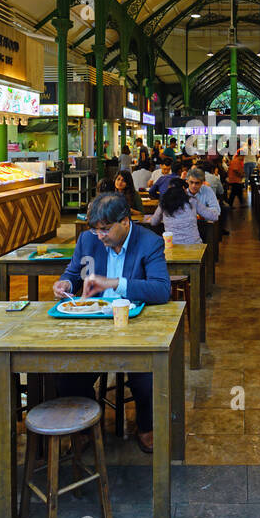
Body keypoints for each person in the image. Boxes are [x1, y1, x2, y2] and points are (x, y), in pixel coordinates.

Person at [53, 192, 170, 453]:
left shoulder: (149, 243)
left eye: (105, 229)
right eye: (95, 230)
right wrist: (66, 283)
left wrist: (115, 284)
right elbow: (74, 272)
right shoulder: (88, 240)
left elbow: (162, 290)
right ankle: (83, 427)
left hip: (132, 326)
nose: (100, 236)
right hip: (92, 323)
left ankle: (146, 425)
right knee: (65, 370)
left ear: (125, 222)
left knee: (146, 375)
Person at [146, 180, 202, 245]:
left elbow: (153, 222)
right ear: (183, 189)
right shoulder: (192, 201)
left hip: (172, 245)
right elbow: (213, 216)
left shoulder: (163, 202)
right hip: (194, 244)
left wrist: (151, 218)